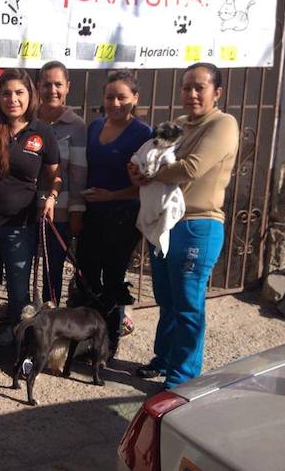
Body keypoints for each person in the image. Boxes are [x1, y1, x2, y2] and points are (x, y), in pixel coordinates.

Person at [130, 62, 239, 389]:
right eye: (186, 87)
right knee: (166, 297)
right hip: (166, 222)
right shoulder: (177, 124)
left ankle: (183, 377)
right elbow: (148, 154)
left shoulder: (223, 125)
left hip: (198, 225)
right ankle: (164, 359)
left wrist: (150, 174)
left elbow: (191, 168)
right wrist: (136, 169)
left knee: (188, 303)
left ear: (216, 93)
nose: (191, 94)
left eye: (199, 87)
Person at [0, 69, 61, 366]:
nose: (12, 99)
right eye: (6, 93)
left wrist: (50, 198)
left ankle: (19, 346)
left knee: (18, 291)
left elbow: (54, 177)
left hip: (20, 227)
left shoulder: (42, 131)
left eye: (19, 93)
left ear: (30, 95)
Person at [76, 70, 152, 358]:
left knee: (113, 281)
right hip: (92, 215)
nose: (115, 103)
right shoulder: (94, 127)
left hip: (123, 218)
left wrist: (112, 196)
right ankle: (86, 338)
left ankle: (108, 345)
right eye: (110, 97)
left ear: (135, 98)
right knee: (88, 278)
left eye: (122, 97)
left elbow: (146, 185)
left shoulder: (144, 134)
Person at [35, 61, 87, 304]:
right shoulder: (28, 119)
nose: (52, 90)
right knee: (24, 270)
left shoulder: (76, 126)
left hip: (61, 212)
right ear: (38, 87)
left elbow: (78, 172)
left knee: (52, 270)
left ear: (68, 87)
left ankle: (50, 320)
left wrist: (77, 210)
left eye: (58, 84)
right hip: (27, 208)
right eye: (46, 84)